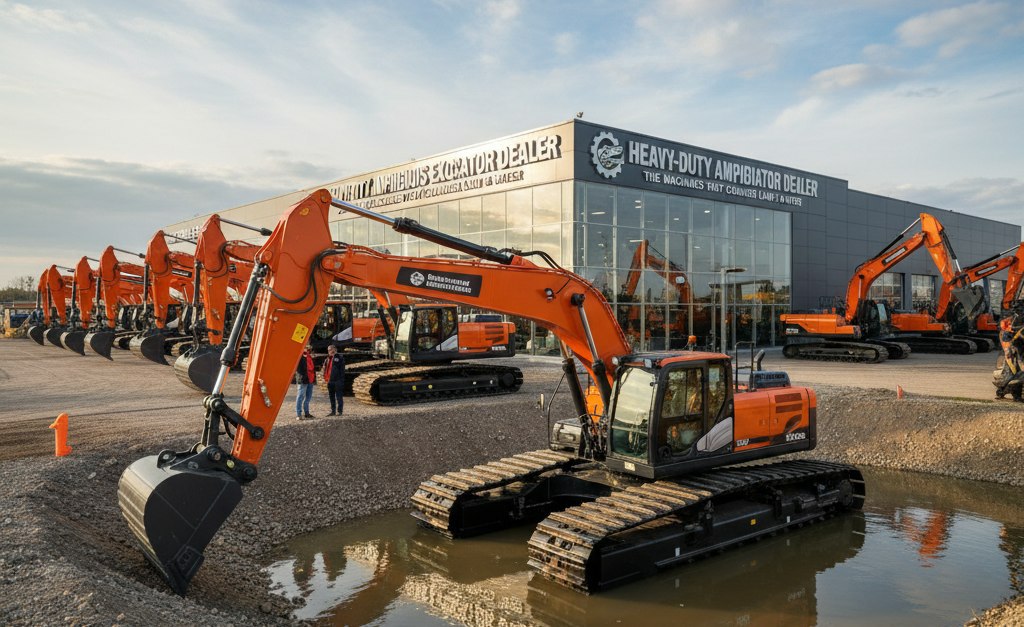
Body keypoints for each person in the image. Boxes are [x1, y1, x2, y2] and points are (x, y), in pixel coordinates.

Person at [294, 344, 316, 419]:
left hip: (310, 379)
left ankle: (307, 413)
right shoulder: (299, 356)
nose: (307, 348)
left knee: (308, 397)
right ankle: (298, 414)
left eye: (307, 347)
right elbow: (298, 369)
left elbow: (312, 367)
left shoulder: (309, 356)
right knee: (300, 396)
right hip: (303, 379)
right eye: (305, 347)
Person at [323, 344, 346, 416]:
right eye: (328, 350)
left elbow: (340, 368)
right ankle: (333, 411)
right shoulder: (327, 359)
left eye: (331, 349)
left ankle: (340, 411)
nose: (329, 351)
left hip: (338, 381)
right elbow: (325, 368)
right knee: (331, 396)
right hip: (330, 381)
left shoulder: (339, 357)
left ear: (334, 349)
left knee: (339, 396)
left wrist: (335, 355)